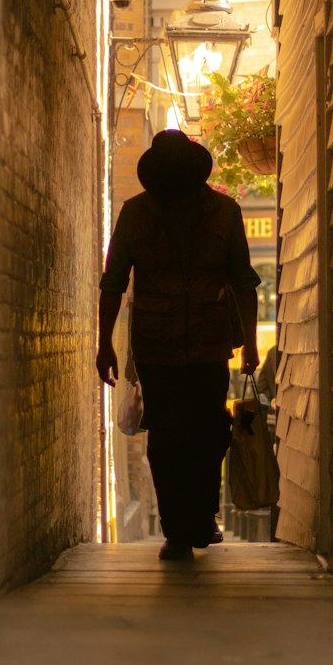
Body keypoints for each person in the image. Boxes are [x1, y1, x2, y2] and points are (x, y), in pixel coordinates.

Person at [97, 130, 261, 561]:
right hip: (159, 346)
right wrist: (104, 345)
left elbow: (244, 282)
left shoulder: (225, 213)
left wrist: (249, 346)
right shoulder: (137, 214)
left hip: (205, 344)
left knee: (207, 433)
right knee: (171, 438)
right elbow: (112, 283)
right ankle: (179, 529)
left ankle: (199, 518)